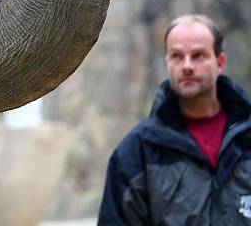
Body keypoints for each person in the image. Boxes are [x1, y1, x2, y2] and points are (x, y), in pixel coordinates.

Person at [98, 14, 251, 224]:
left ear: (220, 62)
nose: (187, 66)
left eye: (198, 55)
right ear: (167, 62)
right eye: (177, 56)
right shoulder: (137, 151)